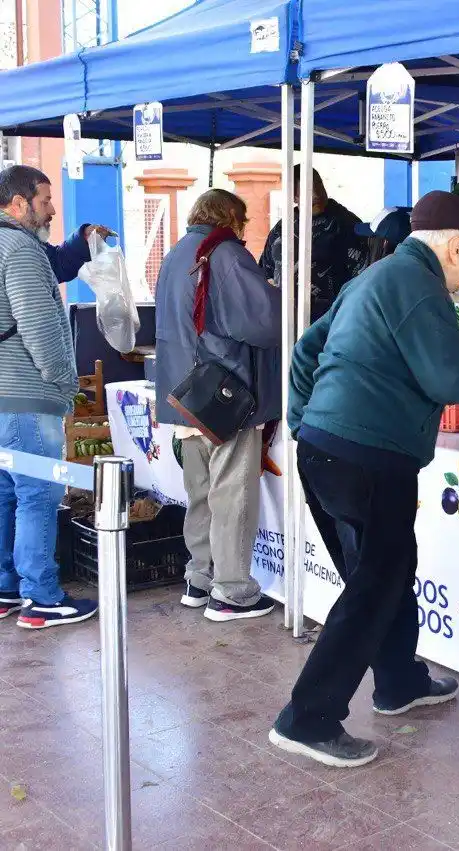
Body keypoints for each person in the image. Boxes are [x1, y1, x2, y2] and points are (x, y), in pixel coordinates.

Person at [270, 191, 459, 768]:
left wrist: (305, 421)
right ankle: (307, 718)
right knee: (374, 585)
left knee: (387, 572)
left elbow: (304, 351)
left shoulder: (377, 277)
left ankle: (399, 681)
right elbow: (453, 375)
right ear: (455, 247)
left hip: (331, 450)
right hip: (368, 456)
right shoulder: (418, 287)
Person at [154, 189, 281, 622]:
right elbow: (263, 323)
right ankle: (231, 592)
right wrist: (278, 294)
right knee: (231, 494)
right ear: (230, 217)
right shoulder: (224, 253)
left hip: (184, 393)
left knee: (201, 494)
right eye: (242, 221)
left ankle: (199, 578)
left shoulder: (176, 253)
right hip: (225, 392)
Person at [0, 165, 97, 629]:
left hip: (3, 397)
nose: (52, 208)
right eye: (44, 201)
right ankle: (41, 597)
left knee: (5, 495)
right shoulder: (19, 249)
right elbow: (40, 326)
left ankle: (5, 588)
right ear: (17, 204)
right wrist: (64, 383)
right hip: (26, 395)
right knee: (38, 493)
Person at [260, 167, 368, 323]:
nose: (317, 194)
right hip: (285, 320)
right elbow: (266, 271)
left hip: (331, 321)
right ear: (294, 196)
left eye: (319, 185)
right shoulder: (282, 228)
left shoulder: (346, 224)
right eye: (308, 189)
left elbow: (362, 277)